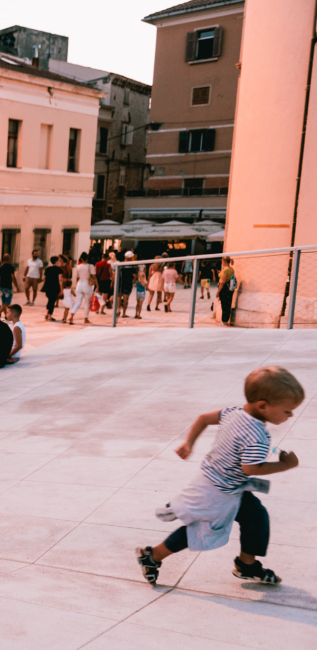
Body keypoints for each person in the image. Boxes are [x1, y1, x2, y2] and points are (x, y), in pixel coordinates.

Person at [136, 367, 304, 587]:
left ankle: (247, 565)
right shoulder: (257, 436)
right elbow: (250, 469)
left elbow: (203, 419)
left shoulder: (234, 412)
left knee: (256, 517)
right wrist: (284, 465)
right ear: (263, 405)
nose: (290, 415)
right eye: (287, 411)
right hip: (218, 492)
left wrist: (189, 443)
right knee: (201, 531)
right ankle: (153, 555)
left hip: (215, 481)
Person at [71, 252, 95, 325]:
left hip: (79, 284)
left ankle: (71, 316)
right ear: (87, 258)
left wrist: (76, 285)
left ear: (81, 258)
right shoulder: (90, 266)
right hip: (87, 284)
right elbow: (94, 276)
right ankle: (86, 318)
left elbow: (77, 277)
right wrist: (97, 285)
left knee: (78, 302)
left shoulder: (78, 267)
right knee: (87, 302)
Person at [42, 256, 64, 321]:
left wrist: (46, 285)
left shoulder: (47, 269)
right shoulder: (59, 270)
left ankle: (46, 314)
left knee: (49, 300)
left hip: (48, 287)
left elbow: (44, 278)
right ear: (56, 261)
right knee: (52, 302)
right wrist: (61, 290)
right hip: (55, 287)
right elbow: (60, 280)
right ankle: (49, 316)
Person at [217, 256, 237, 326]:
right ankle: (226, 321)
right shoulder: (231, 269)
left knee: (224, 305)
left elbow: (222, 282)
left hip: (224, 289)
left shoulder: (225, 270)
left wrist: (218, 292)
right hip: (229, 289)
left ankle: (224, 322)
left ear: (224, 261)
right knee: (228, 304)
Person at [117, 251, 137, 318]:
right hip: (128, 283)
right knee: (126, 299)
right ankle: (124, 313)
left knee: (119, 297)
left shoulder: (120, 264)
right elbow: (134, 275)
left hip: (120, 282)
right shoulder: (132, 265)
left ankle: (118, 310)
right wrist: (134, 281)